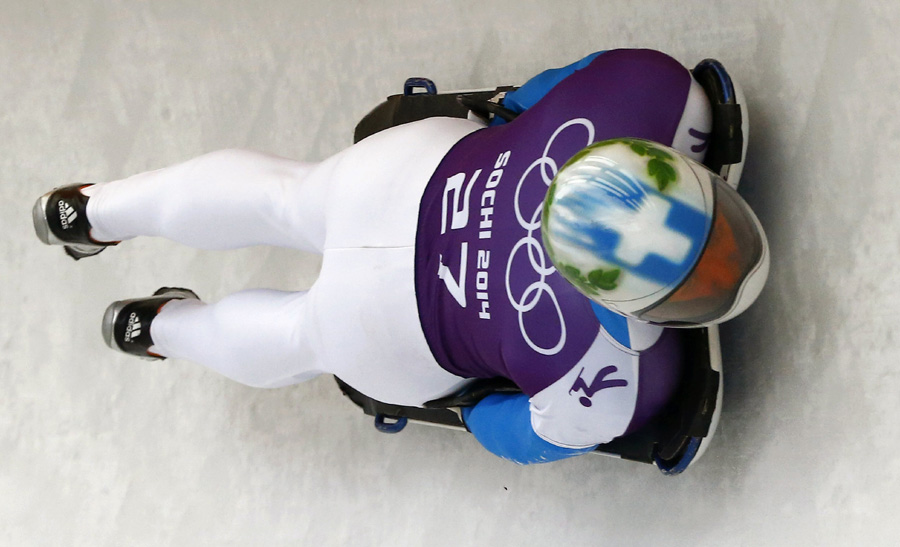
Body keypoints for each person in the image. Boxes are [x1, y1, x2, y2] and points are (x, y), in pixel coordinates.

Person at [32, 49, 767, 464]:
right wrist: (477, 394)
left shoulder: (652, 87)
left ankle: (94, 209)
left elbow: (525, 102)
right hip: (392, 329)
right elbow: (506, 431)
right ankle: (159, 327)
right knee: (305, 337)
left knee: (284, 197)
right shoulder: (618, 381)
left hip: (399, 181)